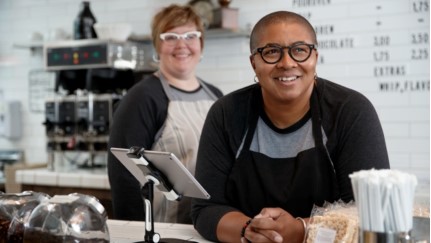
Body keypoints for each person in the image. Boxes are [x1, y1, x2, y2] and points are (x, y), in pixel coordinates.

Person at [191, 10, 390, 242]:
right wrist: (250, 231)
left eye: (299, 50)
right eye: (272, 52)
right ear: (254, 62)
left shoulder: (351, 112)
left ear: (315, 56)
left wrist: (301, 230)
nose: (287, 63)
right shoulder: (225, 114)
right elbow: (206, 208)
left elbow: (373, 214)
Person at [107, 4, 223, 224]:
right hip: (164, 228)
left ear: (201, 44)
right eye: (170, 37)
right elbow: (124, 175)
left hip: (209, 225)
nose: (182, 44)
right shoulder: (142, 98)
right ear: (157, 46)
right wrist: (134, 232)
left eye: (190, 35)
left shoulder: (216, 96)